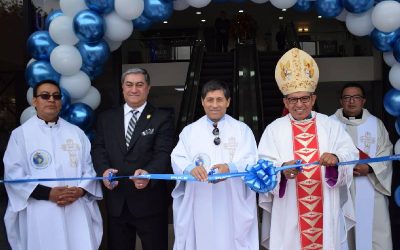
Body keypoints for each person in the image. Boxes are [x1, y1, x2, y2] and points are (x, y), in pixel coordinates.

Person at [257, 48, 359, 250]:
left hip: (324, 202)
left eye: (304, 98)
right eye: (293, 99)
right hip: (289, 206)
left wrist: (336, 158)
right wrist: (282, 169)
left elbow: (350, 153)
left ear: (313, 99)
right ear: (285, 101)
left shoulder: (330, 125)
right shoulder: (274, 129)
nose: (299, 104)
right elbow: (263, 165)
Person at [3, 79, 103, 250]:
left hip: (75, 208)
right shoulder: (20, 135)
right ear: (35, 101)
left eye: (56, 96)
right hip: (40, 209)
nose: (51, 100)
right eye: (45, 96)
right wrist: (48, 193)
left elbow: (89, 170)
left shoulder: (76, 133)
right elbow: (14, 174)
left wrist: (80, 190)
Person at [91, 67, 175, 250]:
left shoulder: (162, 118)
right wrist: (104, 170)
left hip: (150, 201)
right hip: (117, 201)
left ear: (148, 88)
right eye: (129, 85)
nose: (134, 89)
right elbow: (99, 149)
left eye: (139, 84)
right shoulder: (106, 118)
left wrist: (149, 173)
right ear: (122, 88)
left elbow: (163, 152)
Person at [171, 80, 259, 250]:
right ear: (202, 102)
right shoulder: (190, 131)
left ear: (228, 102)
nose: (214, 105)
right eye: (210, 100)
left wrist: (230, 168)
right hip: (199, 198)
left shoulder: (242, 129)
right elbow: (177, 157)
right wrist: (191, 168)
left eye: (219, 100)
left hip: (232, 199)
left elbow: (251, 158)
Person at [331, 83, 393, 250]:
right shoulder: (330, 125)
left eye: (356, 97)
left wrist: (370, 168)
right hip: (342, 188)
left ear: (363, 101)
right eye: (347, 98)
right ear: (340, 101)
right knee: (344, 234)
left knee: (376, 234)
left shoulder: (375, 124)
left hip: (371, 186)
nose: (352, 101)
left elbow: (386, 152)